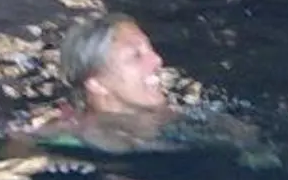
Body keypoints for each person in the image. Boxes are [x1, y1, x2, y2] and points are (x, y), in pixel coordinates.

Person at [17, 12, 272, 161]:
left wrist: (253, 148)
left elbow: (247, 139)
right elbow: (17, 147)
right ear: (96, 83)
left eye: (149, 49)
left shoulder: (187, 118)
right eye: (135, 56)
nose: (158, 61)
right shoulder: (66, 134)